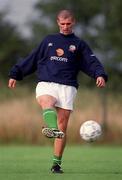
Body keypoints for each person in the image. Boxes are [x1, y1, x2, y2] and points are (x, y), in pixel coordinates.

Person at [8, 9, 108, 173]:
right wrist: (15, 73)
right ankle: (53, 129)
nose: (65, 27)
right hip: (46, 83)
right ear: (58, 23)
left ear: (73, 22)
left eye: (68, 24)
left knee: (63, 127)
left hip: (67, 86)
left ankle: (56, 164)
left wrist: (100, 74)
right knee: (47, 102)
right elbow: (32, 58)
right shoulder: (48, 40)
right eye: (62, 24)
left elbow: (92, 61)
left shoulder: (79, 44)